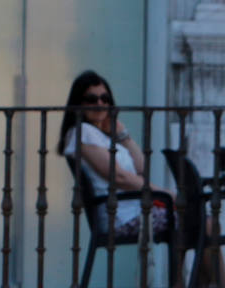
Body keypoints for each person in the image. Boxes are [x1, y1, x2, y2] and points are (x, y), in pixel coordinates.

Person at [58, 70, 172, 242]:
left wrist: (122, 134)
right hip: (121, 218)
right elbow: (118, 177)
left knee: (200, 224)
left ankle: (188, 270)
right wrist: (164, 194)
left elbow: (141, 168)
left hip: (135, 212)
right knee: (199, 222)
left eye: (105, 98)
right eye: (91, 99)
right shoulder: (83, 133)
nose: (99, 103)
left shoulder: (101, 136)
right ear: (78, 103)